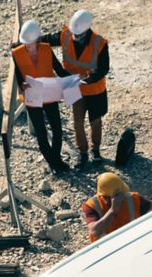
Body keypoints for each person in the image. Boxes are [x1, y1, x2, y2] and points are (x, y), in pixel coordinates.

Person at [42, 10, 108, 169]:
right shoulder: (66, 35)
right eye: (74, 34)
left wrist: (90, 78)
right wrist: (28, 39)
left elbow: (104, 68)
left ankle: (96, 152)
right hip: (74, 87)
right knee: (77, 123)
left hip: (94, 90)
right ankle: (83, 153)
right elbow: (47, 39)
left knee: (95, 122)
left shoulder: (100, 44)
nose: (75, 37)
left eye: (79, 35)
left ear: (87, 31)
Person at [12, 20, 70, 173]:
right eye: (25, 42)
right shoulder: (16, 54)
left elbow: (59, 70)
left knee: (57, 130)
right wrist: (21, 85)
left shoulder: (46, 49)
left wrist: (75, 79)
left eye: (30, 42)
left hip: (50, 93)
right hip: (33, 96)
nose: (27, 45)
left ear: (38, 39)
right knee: (41, 133)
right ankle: (55, 164)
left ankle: (56, 161)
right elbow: (16, 77)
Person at [82, 172, 152, 242]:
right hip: (105, 248)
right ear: (106, 197)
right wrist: (113, 210)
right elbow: (95, 232)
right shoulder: (92, 205)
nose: (122, 197)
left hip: (131, 243)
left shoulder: (134, 199)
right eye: (119, 195)